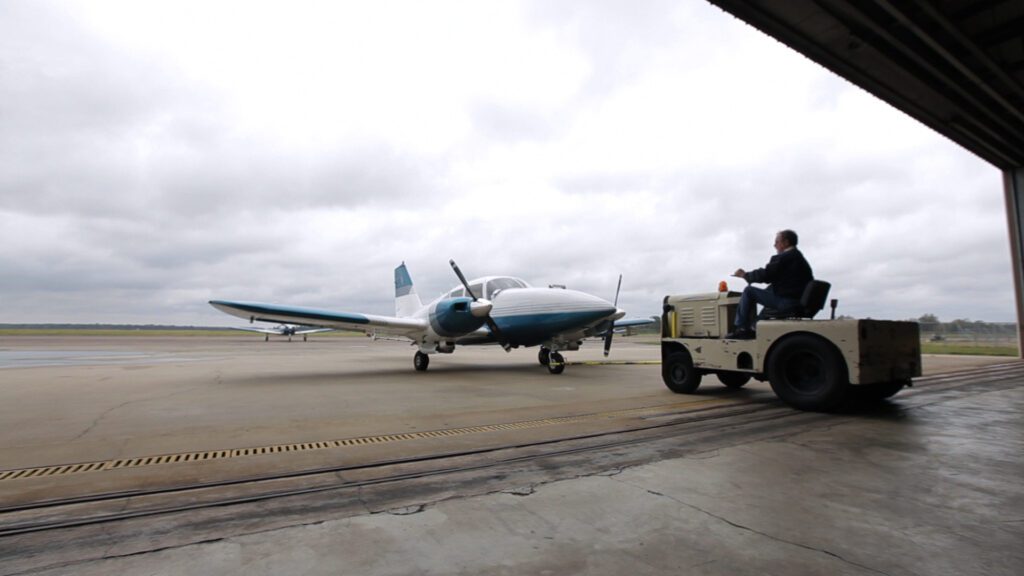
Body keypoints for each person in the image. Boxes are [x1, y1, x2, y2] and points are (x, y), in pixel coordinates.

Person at [726, 229, 813, 339]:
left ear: (786, 243)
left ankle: (741, 328)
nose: (774, 245)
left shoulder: (785, 257)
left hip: (788, 302)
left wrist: (745, 275)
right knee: (770, 289)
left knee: (749, 291)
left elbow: (766, 274)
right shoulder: (799, 258)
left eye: (777, 242)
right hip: (796, 301)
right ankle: (754, 326)